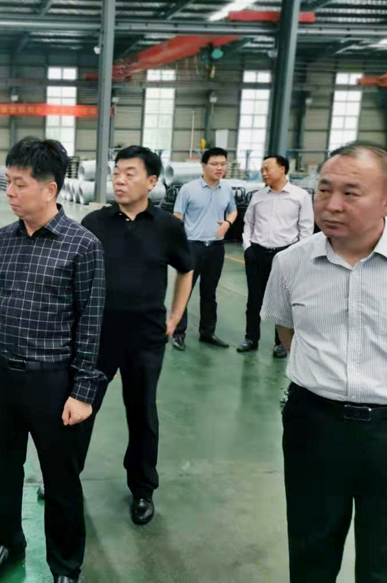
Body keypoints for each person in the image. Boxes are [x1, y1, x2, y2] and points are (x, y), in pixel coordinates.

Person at [0, 137, 105, 583]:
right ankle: (8, 543)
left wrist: (82, 392)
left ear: (50, 189)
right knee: (5, 469)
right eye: (7, 182)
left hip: (54, 382)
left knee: (60, 480)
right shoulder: (3, 240)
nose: (9, 192)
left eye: (20, 184)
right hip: (6, 376)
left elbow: (91, 324)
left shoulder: (82, 246)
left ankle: (65, 565)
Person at [260, 143, 387, 582]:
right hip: (315, 426)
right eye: (324, 190)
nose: (332, 205)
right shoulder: (291, 263)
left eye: (350, 193)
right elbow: (287, 331)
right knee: (311, 552)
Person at [80, 145, 194, 525]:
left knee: (142, 411)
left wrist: (175, 316)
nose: (120, 180)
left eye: (130, 173)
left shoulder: (167, 227)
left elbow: (186, 269)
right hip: (98, 336)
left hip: (145, 337)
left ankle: (143, 489)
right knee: (81, 407)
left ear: (151, 181)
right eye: (117, 172)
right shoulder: (94, 223)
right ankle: (64, 474)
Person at [237, 155, 313, 358]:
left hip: (286, 254)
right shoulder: (258, 196)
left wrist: (297, 255)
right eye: (262, 169)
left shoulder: (300, 196)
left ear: (282, 169)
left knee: (283, 302)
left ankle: (281, 343)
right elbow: (248, 224)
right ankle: (251, 338)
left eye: (267, 169)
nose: (263, 173)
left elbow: (306, 229)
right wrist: (247, 247)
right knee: (254, 299)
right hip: (257, 253)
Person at [172, 147, 237, 350]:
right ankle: (178, 333)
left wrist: (228, 223)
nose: (220, 168)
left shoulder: (227, 189)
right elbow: (177, 218)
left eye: (223, 164)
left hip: (216, 248)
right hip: (193, 247)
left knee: (209, 292)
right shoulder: (188, 189)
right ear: (203, 166)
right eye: (215, 164)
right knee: (185, 291)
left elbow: (233, 211)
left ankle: (207, 332)